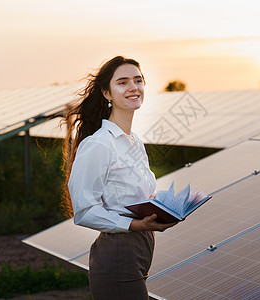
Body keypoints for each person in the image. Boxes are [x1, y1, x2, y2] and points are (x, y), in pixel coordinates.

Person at [62, 56, 177, 299]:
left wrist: (159, 206)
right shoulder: (99, 144)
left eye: (138, 80)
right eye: (122, 82)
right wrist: (135, 225)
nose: (133, 87)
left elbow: (129, 196)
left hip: (140, 248)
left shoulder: (135, 142)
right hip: (118, 252)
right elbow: (84, 210)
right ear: (107, 93)